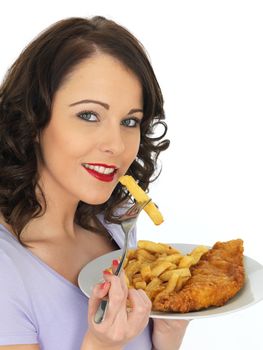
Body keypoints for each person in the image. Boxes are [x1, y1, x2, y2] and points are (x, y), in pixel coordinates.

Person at [0, 16, 189, 350]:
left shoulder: (111, 226)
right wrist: (101, 345)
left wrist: (167, 338)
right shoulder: (6, 269)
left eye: (130, 120)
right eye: (89, 115)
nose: (116, 145)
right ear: (33, 117)